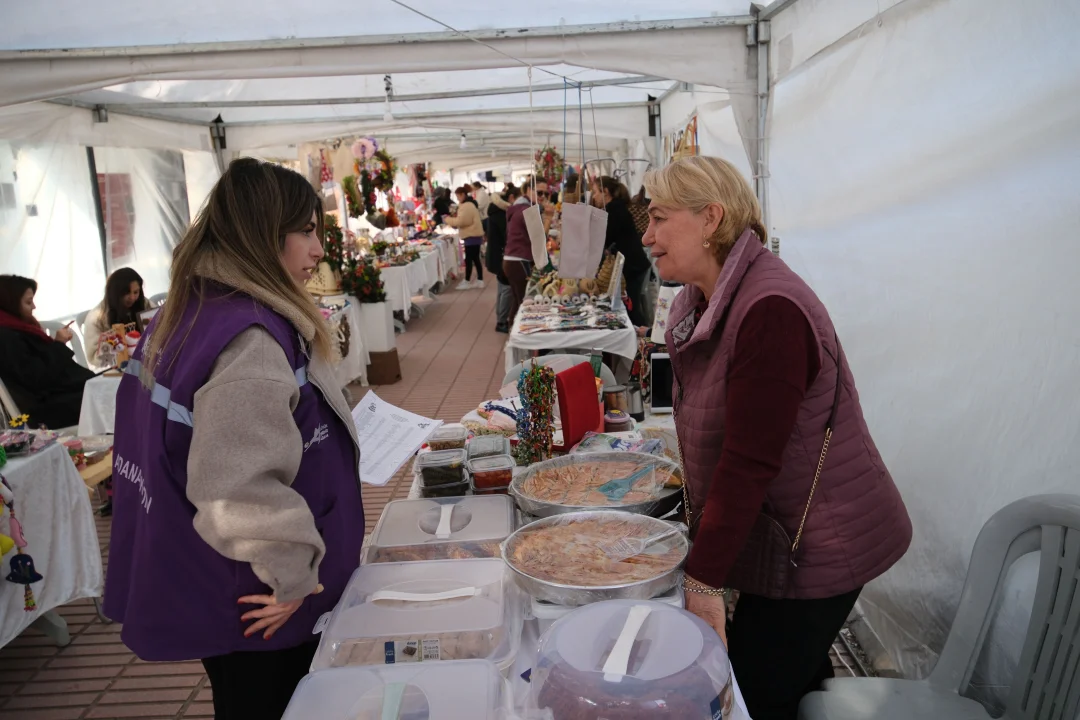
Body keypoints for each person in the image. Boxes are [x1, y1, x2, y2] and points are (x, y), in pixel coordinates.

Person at [642, 156, 912, 720]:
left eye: (660, 218)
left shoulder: (770, 311)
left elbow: (748, 462)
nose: (648, 235)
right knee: (797, 679)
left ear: (710, 218)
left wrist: (704, 581)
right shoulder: (711, 296)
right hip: (783, 537)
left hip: (820, 546)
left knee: (750, 692)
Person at [102, 159, 365, 720]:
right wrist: (294, 575)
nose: (319, 250)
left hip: (220, 576)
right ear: (262, 235)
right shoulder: (249, 337)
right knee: (270, 701)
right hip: (258, 594)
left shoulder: (196, 305)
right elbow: (235, 487)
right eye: (307, 232)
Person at [0, 275, 95, 429]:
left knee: (112, 385)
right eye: (28, 302)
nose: (34, 307)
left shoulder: (18, 327)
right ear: (10, 304)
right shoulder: (6, 337)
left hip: (58, 394)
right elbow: (37, 377)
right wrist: (58, 344)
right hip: (46, 407)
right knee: (109, 394)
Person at [599, 176, 653, 327]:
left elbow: (604, 238)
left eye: (596, 192)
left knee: (630, 306)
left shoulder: (614, 210)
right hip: (633, 264)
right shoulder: (617, 207)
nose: (594, 196)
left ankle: (643, 341)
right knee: (630, 305)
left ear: (605, 192)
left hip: (633, 266)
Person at [83, 267, 154, 369]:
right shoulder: (97, 318)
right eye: (127, 293)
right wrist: (113, 345)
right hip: (117, 370)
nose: (132, 298)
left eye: (136, 292)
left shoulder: (145, 304)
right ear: (115, 293)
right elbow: (95, 358)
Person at [503, 177, 549, 327]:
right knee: (525, 300)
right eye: (540, 192)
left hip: (512, 259)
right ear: (529, 190)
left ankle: (513, 331)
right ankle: (519, 334)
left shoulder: (519, 207)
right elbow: (539, 238)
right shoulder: (527, 210)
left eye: (546, 194)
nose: (543, 197)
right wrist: (548, 218)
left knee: (518, 299)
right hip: (519, 260)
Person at [443, 186, 486, 290]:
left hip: (471, 236)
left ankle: (467, 281)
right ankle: (479, 280)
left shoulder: (467, 205)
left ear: (463, 194)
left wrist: (447, 219)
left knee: (470, 259)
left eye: (458, 196)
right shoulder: (469, 204)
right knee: (475, 259)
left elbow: (462, 221)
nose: (458, 199)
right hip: (473, 235)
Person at [486, 185, 516, 333]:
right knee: (506, 288)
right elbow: (508, 236)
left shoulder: (496, 210)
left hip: (496, 255)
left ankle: (500, 317)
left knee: (502, 287)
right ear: (511, 198)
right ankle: (502, 321)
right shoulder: (502, 214)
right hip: (502, 256)